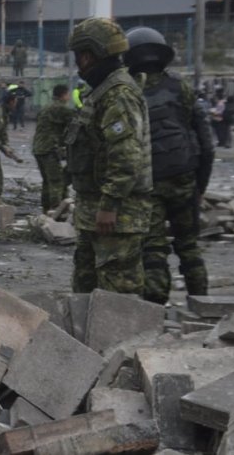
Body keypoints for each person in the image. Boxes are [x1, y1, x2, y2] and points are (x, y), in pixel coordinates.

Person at [123, 27, 214, 305]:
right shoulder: (181, 88)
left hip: (147, 182)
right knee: (188, 245)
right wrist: (200, 184)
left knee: (153, 248)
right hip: (185, 178)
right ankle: (202, 302)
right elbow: (206, 143)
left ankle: (155, 306)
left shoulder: (127, 93)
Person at [66, 18, 152, 297]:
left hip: (117, 216)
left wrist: (110, 204)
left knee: (118, 295)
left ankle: (122, 343)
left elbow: (126, 156)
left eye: (79, 56)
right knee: (86, 289)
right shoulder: (103, 92)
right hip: (95, 211)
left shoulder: (118, 95)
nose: (78, 63)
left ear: (89, 55)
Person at [32, 84, 76, 212]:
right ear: (64, 95)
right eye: (68, 94)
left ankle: (46, 208)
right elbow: (76, 126)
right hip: (50, 149)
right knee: (57, 180)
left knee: (47, 181)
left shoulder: (45, 108)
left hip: (38, 148)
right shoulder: (63, 109)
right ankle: (56, 209)